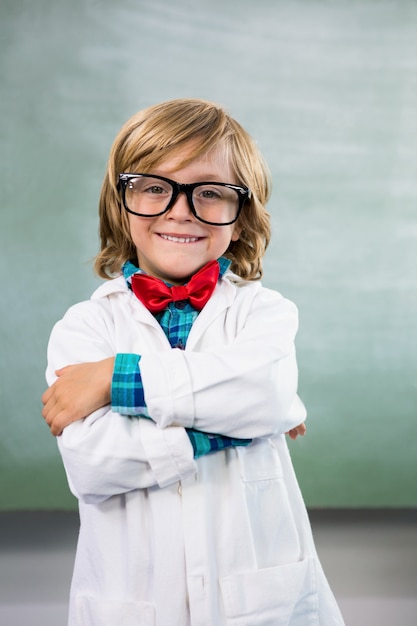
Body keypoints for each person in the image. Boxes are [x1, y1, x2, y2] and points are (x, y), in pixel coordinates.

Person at [42, 98, 345, 626]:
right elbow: (95, 463)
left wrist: (119, 378)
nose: (180, 210)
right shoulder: (84, 328)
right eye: (155, 187)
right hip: (132, 602)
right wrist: (238, 428)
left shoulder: (263, 312)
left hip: (259, 598)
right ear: (121, 203)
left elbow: (266, 393)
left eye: (210, 192)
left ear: (241, 213)